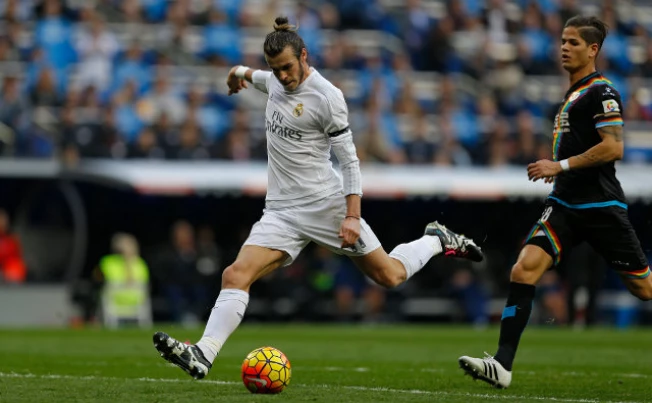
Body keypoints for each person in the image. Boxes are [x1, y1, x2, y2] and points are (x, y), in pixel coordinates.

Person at [152, 16, 483, 380]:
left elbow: (350, 161)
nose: (282, 76)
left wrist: (352, 216)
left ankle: (436, 239)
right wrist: (236, 74)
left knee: (389, 275)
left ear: (304, 56)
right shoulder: (273, 80)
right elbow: (251, 75)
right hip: (280, 212)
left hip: (326, 206)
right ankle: (203, 353)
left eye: (287, 68)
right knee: (235, 273)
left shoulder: (327, 97)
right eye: (275, 69)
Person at [458, 15, 652, 389]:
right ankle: (502, 365)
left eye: (573, 42)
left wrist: (558, 165)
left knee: (644, 289)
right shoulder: (572, 93)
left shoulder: (602, 92)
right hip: (564, 203)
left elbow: (614, 147)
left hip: (599, 206)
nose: (564, 47)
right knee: (523, 269)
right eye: (563, 41)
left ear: (593, 50)